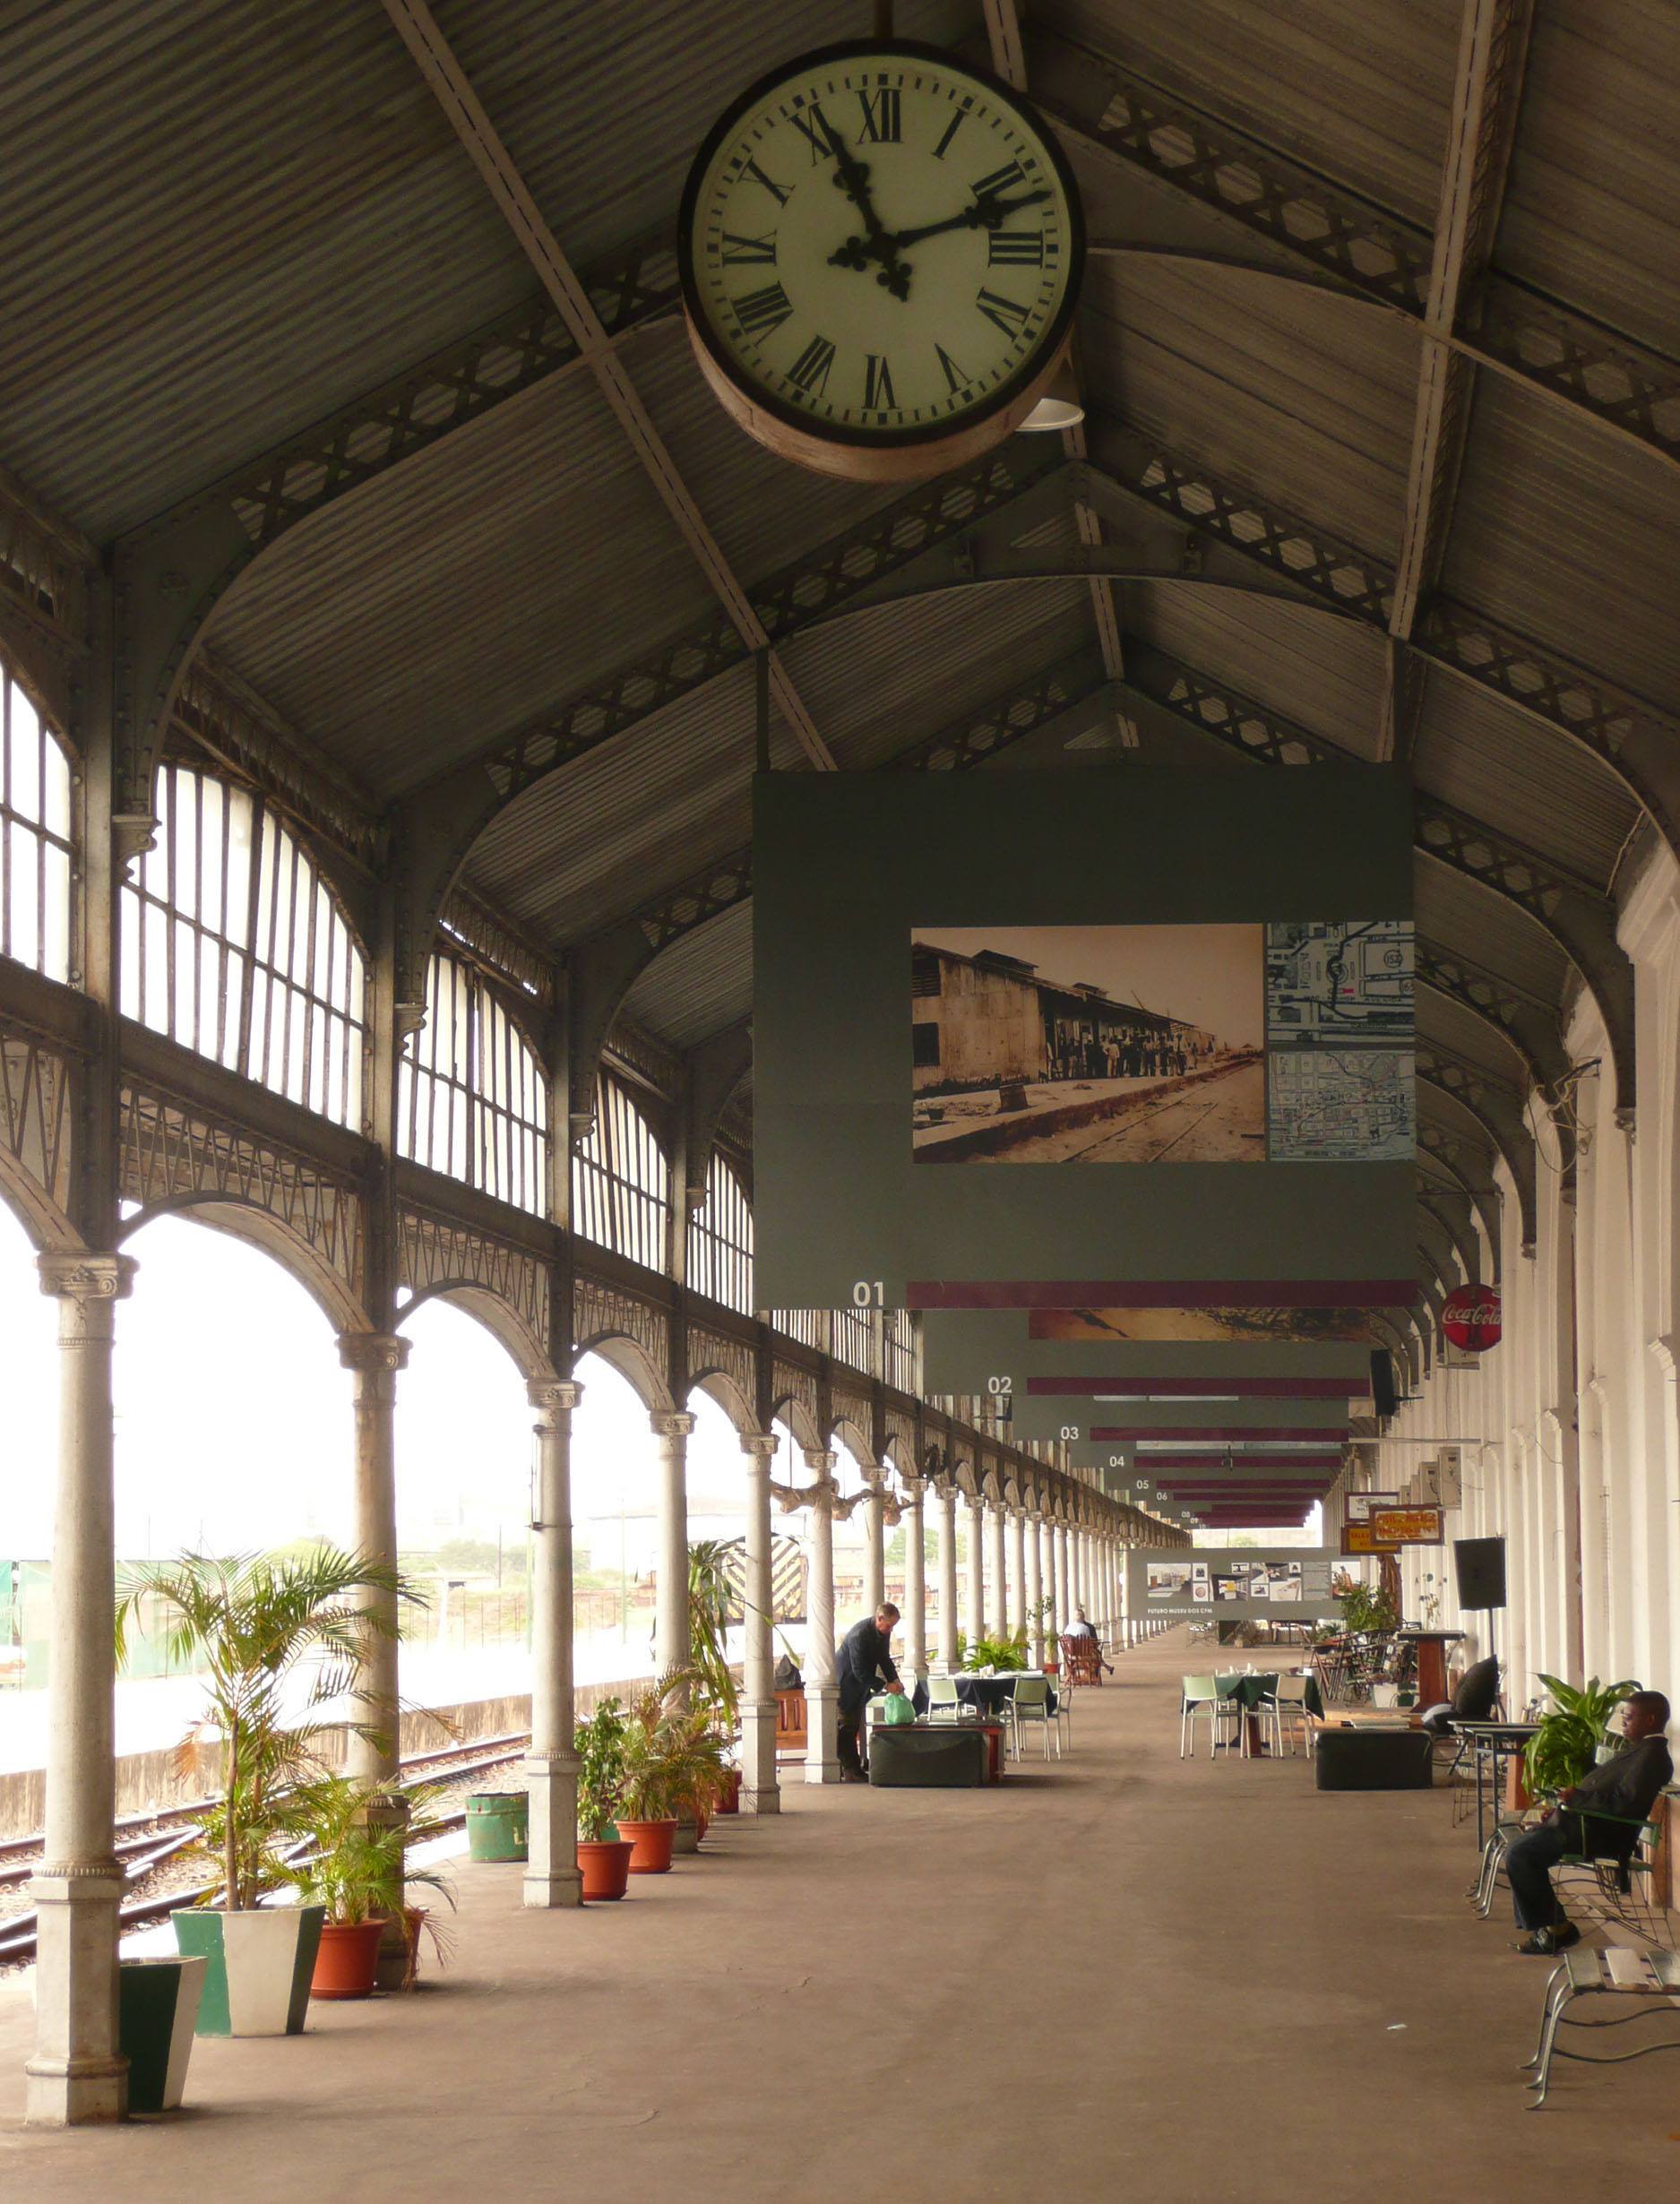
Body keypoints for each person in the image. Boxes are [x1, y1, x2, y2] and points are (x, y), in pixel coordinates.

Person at [1505, 1689, 1673, 1953]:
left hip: (1599, 1833)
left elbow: (1623, 1805)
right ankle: (1551, 1927)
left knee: (1520, 1854)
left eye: (1629, 1717)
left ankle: (1555, 1929)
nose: (1623, 1722)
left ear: (1650, 1720)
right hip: (1585, 1824)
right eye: (1623, 1716)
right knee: (1520, 1849)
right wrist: (1564, 1806)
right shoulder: (1641, 1750)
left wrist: (1576, 1800)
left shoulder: (1652, 1756)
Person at [836, 1603, 903, 1782]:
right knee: (847, 1726)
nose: (890, 1630)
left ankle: (853, 1767)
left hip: (860, 1685)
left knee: (853, 1725)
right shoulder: (859, 1634)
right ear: (879, 1618)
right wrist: (886, 1686)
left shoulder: (882, 1633)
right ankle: (850, 1769)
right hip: (846, 1683)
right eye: (888, 1625)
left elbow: (884, 1659)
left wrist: (895, 1680)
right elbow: (858, 1670)